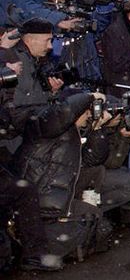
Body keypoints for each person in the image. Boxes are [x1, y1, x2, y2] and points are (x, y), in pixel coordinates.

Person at [13, 92, 110, 267]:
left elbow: (93, 159)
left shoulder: (73, 132)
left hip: (53, 198)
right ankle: (44, 247)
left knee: (99, 223)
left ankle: (59, 243)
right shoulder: (48, 125)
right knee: (93, 224)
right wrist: (90, 96)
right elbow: (63, 112)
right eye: (87, 113)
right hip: (39, 200)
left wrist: (97, 129)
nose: (89, 117)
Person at [11, 18, 64, 110]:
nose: (50, 46)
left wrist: (52, 91)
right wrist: (49, 94)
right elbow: (21, 102)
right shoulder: (19, 61)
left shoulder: (36, 60)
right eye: (47, 40)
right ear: (30, 40)